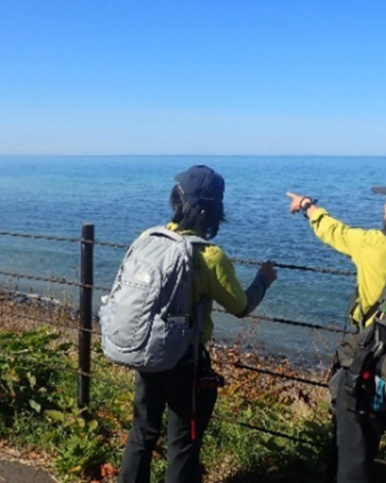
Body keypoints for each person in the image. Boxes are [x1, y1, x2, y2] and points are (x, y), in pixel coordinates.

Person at [118, 164, 277, 483]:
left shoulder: (149, 238)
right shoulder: (209, 256)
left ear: (176, 200)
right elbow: (240, 306)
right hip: (184, 362)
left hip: (146, 350)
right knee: (182, 446)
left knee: (142, 434)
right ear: (215, 209)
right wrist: (263, 280)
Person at [287, 172, 386, 483]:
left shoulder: (374, 244)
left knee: (354, 464)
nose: (385, 204)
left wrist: (308, 206)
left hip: (374, 368)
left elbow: (335, 231)